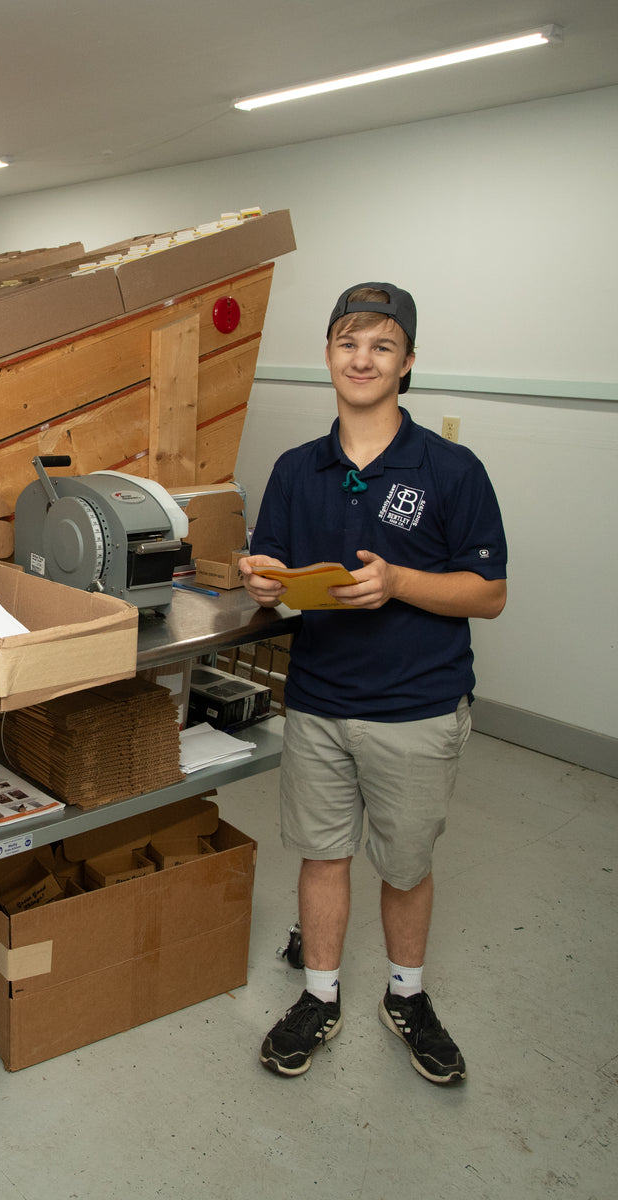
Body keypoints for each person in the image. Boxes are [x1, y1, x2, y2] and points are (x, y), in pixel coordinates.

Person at [241, 282, 507, 1084]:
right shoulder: (296, 469)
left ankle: (407, 994)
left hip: (415, 708)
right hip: (319, 700)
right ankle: (320, 996)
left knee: (404, 864)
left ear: (407, 363)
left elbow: (488, 594)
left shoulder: (452, 469)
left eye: (382, 346)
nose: (363, 359)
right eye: (348, 342)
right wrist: (264, 581)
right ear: (328, 354)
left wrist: (399, 583)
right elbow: (277, 569)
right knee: (322, 856)